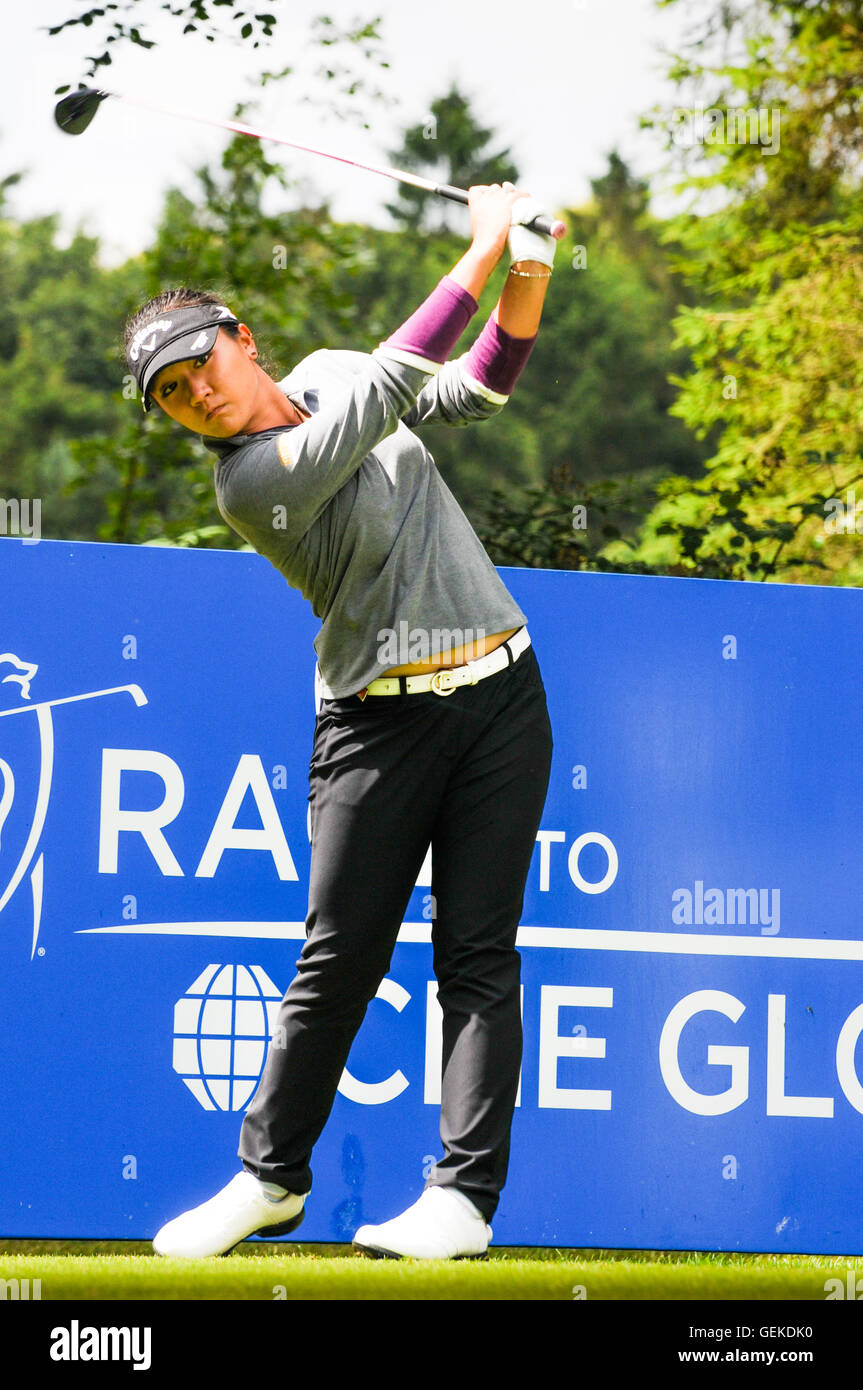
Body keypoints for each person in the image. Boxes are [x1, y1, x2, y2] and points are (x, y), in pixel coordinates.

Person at [125, 183, 556, 1260]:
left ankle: (461, 1200)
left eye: (201, 368)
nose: (197, 399)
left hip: (501, 692)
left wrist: (529, 274)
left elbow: (467, 394)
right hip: (376, 723)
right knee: (340, 960)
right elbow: (398, 376)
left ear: (243, 341)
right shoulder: (251, 483)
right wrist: (484, 248)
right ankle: (268, 1178)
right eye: (172, 396)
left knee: (477, 956)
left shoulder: (323, 376)